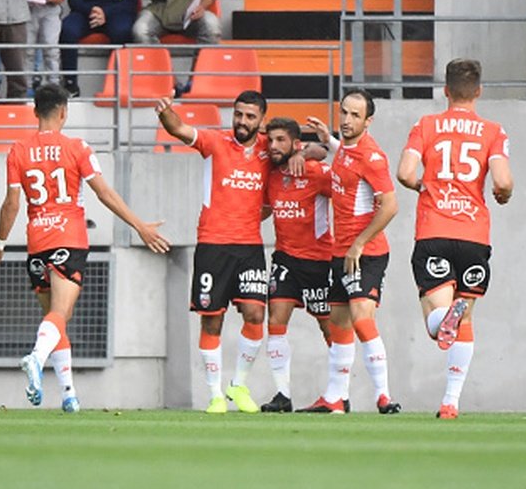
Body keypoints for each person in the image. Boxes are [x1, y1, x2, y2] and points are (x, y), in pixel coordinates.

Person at [0, 83, 169, 412]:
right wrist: (139, 225)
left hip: (37, 240)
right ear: (64, 113)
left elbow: (12, 203)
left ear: (35, 112)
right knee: (60, 314)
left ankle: (69, 395)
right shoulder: (78, 148)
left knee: (55, 318)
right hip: (69, 236)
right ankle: (36, 359)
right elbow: (104, 193)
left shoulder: (18, 150)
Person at [396, 58, 513, 419]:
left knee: (437, 317)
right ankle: (450, 402)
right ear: (478, 91)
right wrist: (502, 194)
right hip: (474, 235)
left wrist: (422, 186)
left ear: (445, 90)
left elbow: (404, 172)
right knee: (464, 322)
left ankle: (443, 317)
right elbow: (503, 182)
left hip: (434, 229)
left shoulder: (426, 125)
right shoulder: (494, 131)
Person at [155, 90, 272, 413]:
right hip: (212, 244)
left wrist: (312, 150)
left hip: (250, 246)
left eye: (250, 116)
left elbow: (302, 150)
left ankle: (238, 385)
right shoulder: (215, 143)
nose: (242, 121)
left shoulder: (268, 149)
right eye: (238, 114)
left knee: (255, 314)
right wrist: (166, 112)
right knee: (211, 320)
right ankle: (215, 394)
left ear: (261, 119)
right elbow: (179, 130)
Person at [299, 88, 400, 414]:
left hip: (365, 252)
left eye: (355, 115)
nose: (346, 119)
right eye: (344, 112)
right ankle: (335, 398)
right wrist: (327, 139)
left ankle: (384, 396)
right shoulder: (345, 150)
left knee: (360, 317)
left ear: (368, 121)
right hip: (340, 252)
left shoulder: (372, 157)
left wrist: (359, 243)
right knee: (339, 322)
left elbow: (390, 207)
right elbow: (345, 153)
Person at [258, 117, 334, 413]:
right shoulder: (271, 175)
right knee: (276, 319)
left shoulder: (316, 171)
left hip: (319, 261)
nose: (274, 146)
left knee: (329, 329)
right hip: (285, 258)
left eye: (280, 140)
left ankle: (338, 392)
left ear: (295, 143)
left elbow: (347, 188)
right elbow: (264, 209)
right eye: (271, 140)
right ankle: (282, 394)